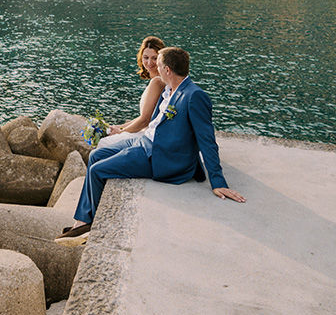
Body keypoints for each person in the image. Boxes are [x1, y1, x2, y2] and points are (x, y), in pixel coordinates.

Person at [56, 46, 244, 246]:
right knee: (96, 155)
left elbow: (207, 140)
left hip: (161, 157)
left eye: (159, 64)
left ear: (168, 70)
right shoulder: (169, 89)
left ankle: (85, 225)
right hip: (145, 141)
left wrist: (218, 181)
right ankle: (84, 219)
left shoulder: (194, 96)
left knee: (97, 170)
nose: (155, 67)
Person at [96, 36, 166, 149]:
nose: (149, 62)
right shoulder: (158, 80)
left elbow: (145, 120)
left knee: (104, 144)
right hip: (147, 131)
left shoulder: (157, 82)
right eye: (146, 57)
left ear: (161, 59)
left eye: (154, 58)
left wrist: (120, 132)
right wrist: (119, 127)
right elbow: (143, 116)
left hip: (149, 136)